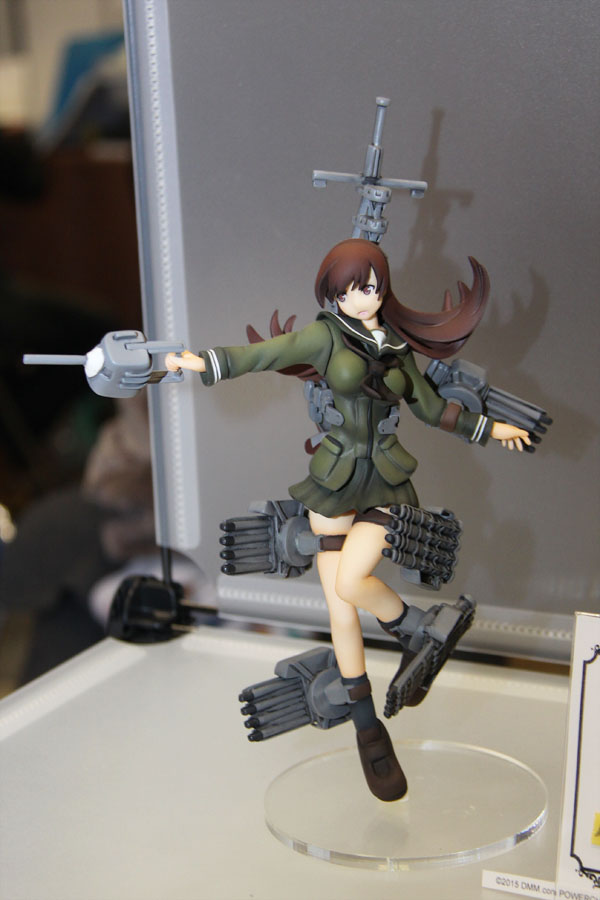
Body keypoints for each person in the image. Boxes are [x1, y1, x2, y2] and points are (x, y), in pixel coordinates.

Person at [166, 238, 529, 801]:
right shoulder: (324, 336)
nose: (363, 298)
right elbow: (263, 354)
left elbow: (433, 409)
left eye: (371, 287)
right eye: (350, 290)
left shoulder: (398, 348)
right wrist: (203, 362)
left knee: (351, 582)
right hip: (333, 481)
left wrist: (490, 428)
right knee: (340, 612)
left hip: (386, 479)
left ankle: (414, 627)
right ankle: (367, 726)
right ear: (333, 293)